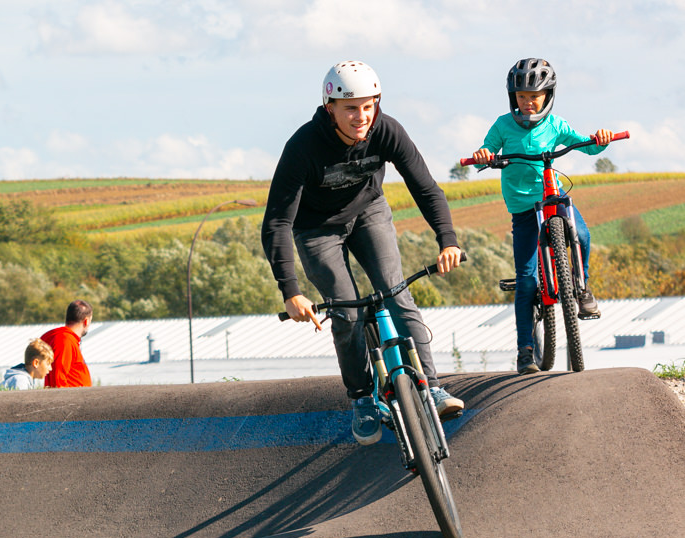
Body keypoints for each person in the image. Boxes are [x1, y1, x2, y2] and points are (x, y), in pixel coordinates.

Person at [261, 60, 464, 446]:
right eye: (351, 108)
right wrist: (291, 291)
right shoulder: (303, 147)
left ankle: (433, 388)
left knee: (396, 292)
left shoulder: (386, 130)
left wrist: (447, 239)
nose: (361, 116)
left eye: (368, 106)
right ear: (330, 108)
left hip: (369, 212)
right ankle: (363, 400)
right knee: (347, 311)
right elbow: (276, 224)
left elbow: (425, 187)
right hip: (317, 229)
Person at [471, 58, 613, 375]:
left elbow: (586, 146)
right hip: (523, 209)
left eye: (535, 95)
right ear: (513, 98)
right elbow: (487, 150)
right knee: (525, 280)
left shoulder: (556, 125)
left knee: (584, 236)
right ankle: (525, 351)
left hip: (554, 197)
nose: (528, 101)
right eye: (522, 96)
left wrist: (599, 139)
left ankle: (582, 288)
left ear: (548, 96)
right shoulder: (502, 126)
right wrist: (485, 155)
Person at [40, 299, 93, 388]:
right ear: (86, 321)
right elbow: (58, 380)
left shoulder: (65, 338)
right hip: (70, 399)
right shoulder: (65, 340)